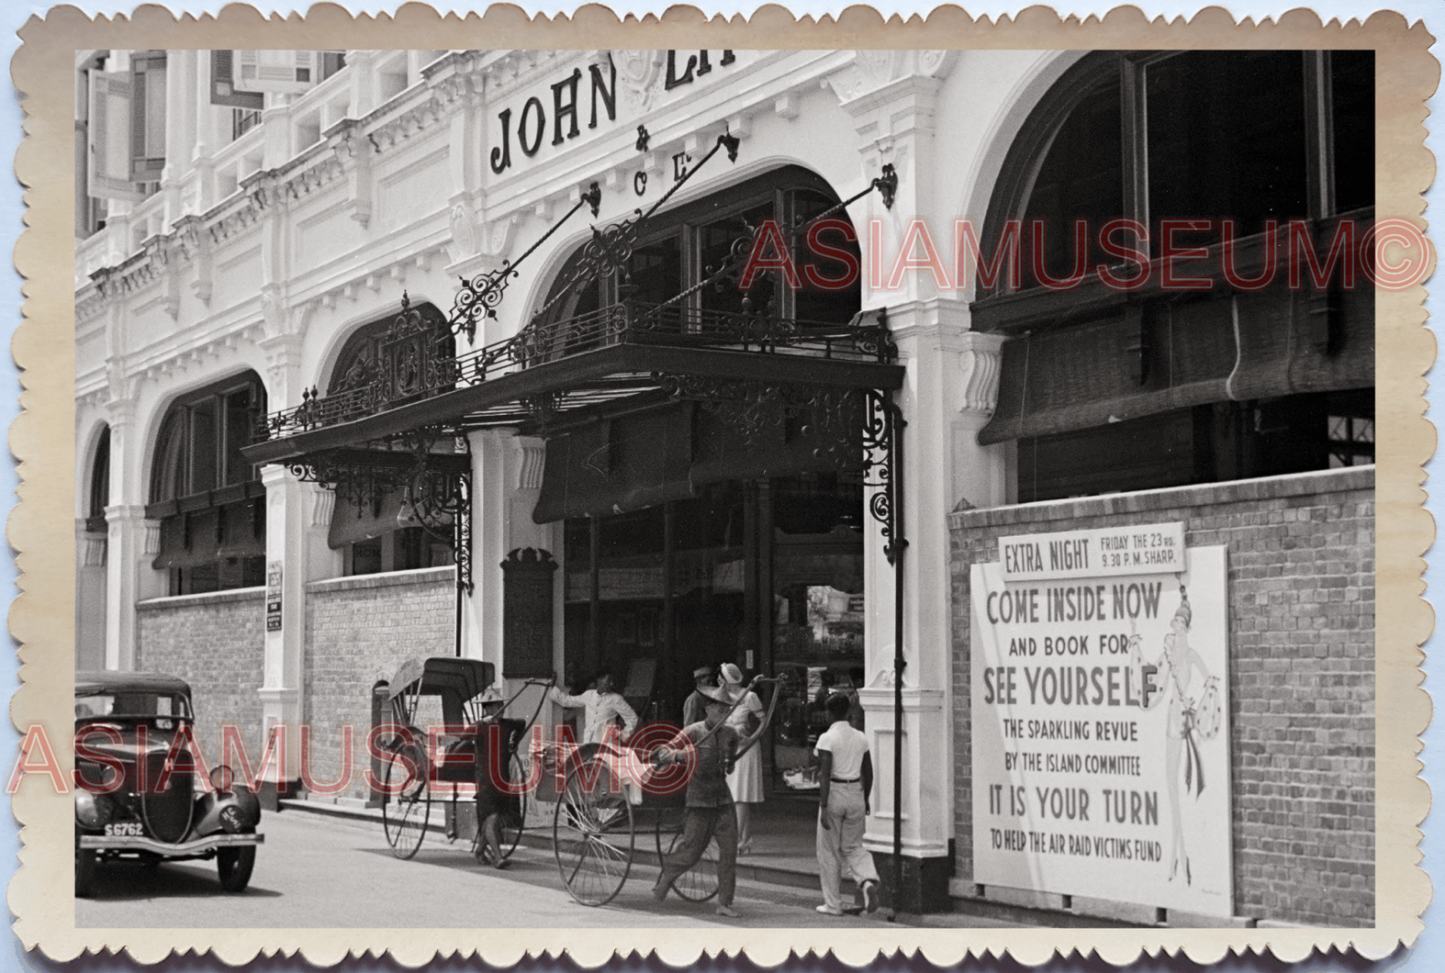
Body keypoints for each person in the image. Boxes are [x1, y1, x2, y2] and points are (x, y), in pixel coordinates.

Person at [651, 684, 765, 919]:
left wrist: (731, 761)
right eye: (720, 710)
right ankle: (666, 877)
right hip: (699, 801)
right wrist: (682, 755)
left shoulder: (730, 734)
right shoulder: (693, 731)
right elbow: (662, 753)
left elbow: (731, 762)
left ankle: (725, 902)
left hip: (722, 800)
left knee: (729, 852)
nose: (724, 714)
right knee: (691, 853)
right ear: (709, 709)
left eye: (727, 710)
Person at [1131, 585, 1215, 886]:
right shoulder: (1170, 654)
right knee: (1170, 784)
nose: (1177, 628)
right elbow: (1153, 679)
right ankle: (1177, 854)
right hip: (1173, 719)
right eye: (1175, 624)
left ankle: (1180, 855)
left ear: (1187, 627)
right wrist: (1136, 651)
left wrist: (1201, 700)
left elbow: (1210, 678)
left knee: (1176, 785)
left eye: (1181, 624)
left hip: (1183, 719)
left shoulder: (1189, 654)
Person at [815, 692, 881, 915]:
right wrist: (865, 798)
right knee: (854, 847)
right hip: (856, 792)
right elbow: (869, 773)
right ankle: (867, 881)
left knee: (829, 851)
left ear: (828, 712)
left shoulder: (827, 738)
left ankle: (833, 904)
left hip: (834, 792)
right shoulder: (860, 737)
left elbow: (825, 774)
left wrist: (823, 807)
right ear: (849, 712)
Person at [471, 687, 525, 869]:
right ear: (487, 709)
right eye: (495, 706)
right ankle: (498, 857)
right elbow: (464, 736)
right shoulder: (480, 726)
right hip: (485, 780)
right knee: (492, 818)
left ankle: (480, 850)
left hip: (502, 778)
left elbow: (522, 723)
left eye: (501, 705)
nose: (500, 708)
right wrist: (481, 723)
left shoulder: (507, 724)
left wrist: (514, 744)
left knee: (492, 819)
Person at [719, 663, 764, 854]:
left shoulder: (749, 696)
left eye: (721, 678)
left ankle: (736, 840)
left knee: (741, 795)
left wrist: (751, 738)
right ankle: (745, 840)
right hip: (730, 748)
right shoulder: (723, 697)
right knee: (734, 795)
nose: (718, 681)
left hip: (746, 749)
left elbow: (764, 720)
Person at [548, 668, 638, 747]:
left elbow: (632, 718)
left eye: (612, 681)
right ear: (599, 680)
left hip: (607, 744)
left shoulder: (616, 699)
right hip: (588, 743)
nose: (611, 684)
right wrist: (553, 687)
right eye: (608, 680)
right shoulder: (589, 695)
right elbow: (567, 701)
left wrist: (622, 736)